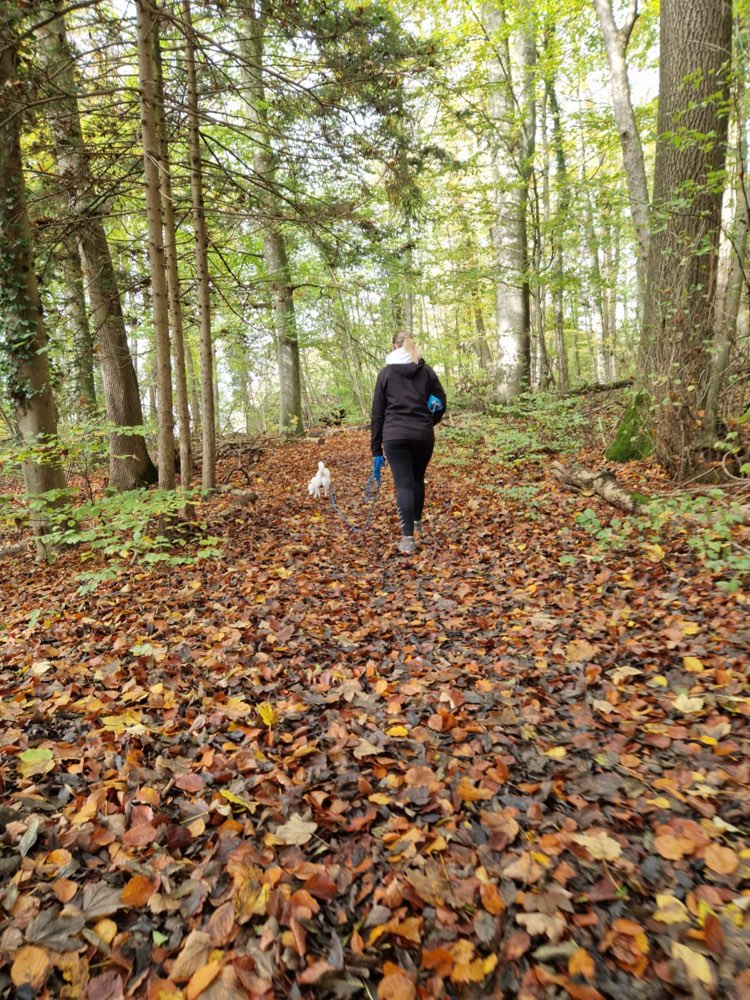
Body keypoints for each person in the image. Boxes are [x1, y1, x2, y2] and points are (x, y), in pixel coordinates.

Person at [370, 330, 447, 555]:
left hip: (395, 436)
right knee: (416, 479)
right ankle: (416, 523)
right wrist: (428, 422)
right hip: (423, 435)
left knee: (404, 484)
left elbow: (377, 414)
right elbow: (441, 403)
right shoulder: (427, 372)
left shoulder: (385, 374)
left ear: (394, 346)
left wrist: (376, 449)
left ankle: (408, 540)